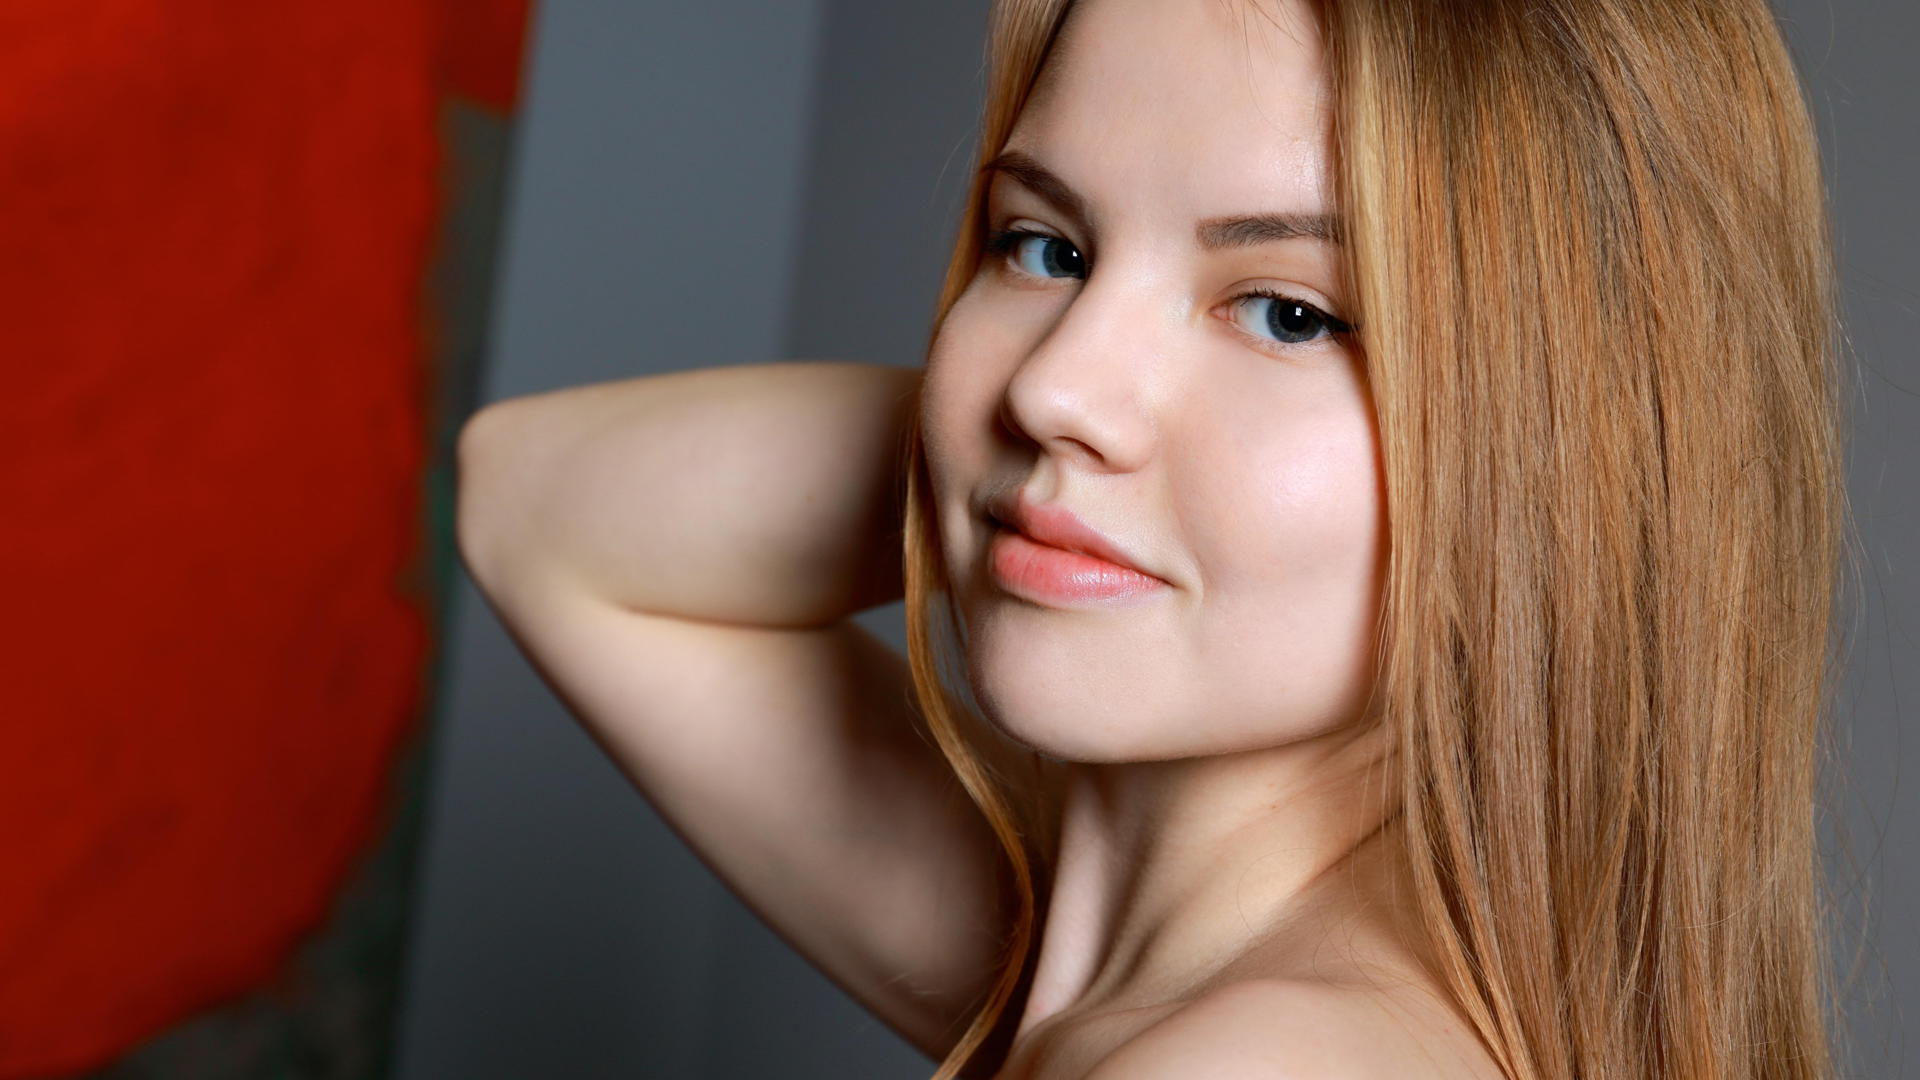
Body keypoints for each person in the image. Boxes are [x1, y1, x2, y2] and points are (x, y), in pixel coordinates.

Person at [454, 0, 1847, 1076]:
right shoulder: (1105, 976)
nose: (1054, 386)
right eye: (1044, 247)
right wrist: (992, 459)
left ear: (1564, 465)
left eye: (1289, 313)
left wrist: (1038, 471)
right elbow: (532, 503)